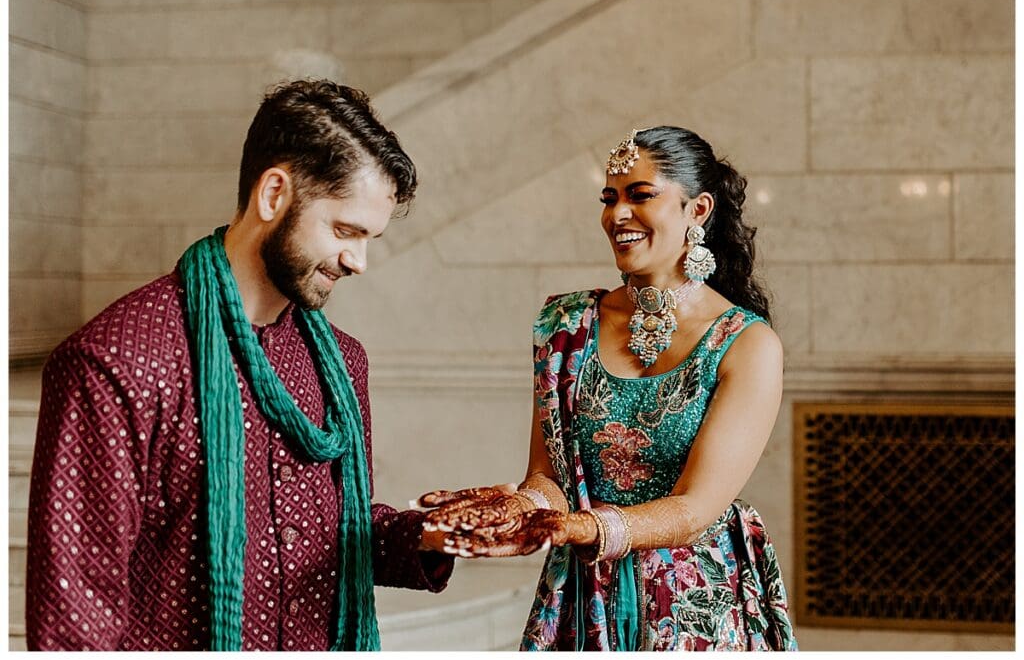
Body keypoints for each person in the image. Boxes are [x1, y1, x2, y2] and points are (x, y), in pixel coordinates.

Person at [25, 80, 455, 651]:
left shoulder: (342, 364)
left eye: (370, 238)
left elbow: (331, 535)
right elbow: (76, 616)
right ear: (274, 194)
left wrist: (434, 533)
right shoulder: (116, 361)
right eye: (345, 231)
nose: (359, 262)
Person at [418, 127, 798, 651]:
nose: (617, 215)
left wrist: (584, 529)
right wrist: (523, 509)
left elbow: (696, 508)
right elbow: (548, 475)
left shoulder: (746, 344)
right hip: (581, 597)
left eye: (640, 196)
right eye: (609, 198)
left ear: (698, 210)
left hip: (692, 603)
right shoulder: (565, 323)